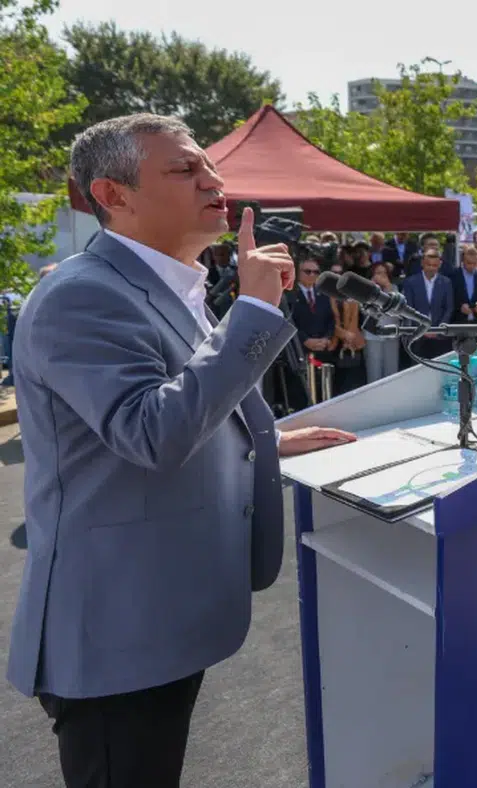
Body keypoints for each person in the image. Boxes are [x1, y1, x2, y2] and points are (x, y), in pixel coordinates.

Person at [9, 114, 355, 788]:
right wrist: (252, 317)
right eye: (185, 169)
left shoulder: (170, 286)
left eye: (208, 165)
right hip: (115, 638)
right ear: (113, 195)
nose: (213, 179)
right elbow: (150, 431)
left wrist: (272, 442)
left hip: (154, 622)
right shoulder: (81, 297)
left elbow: (181, 406)